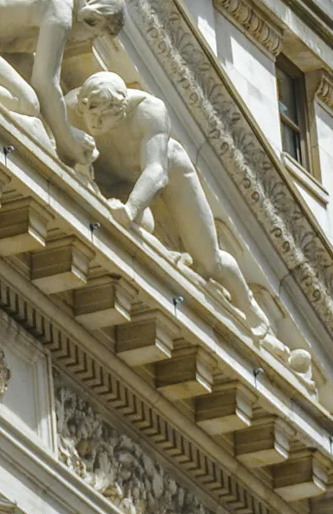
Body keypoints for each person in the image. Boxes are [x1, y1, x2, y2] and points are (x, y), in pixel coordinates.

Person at [65, 72, 263, 325]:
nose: (94, 122)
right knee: (144, 227)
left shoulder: (149, 111)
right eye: (90, 114)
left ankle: (249, 307)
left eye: (102, 117)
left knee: (209, 261)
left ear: (121, 110)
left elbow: (156, 172)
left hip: (168, 174)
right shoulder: (74, 105)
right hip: (113, 180)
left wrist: (130, 209)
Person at [0, 0, 127, 167]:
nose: (88, 39)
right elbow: (45, 82)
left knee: (28, 69)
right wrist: (68, 138)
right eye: (95, 34)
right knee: (28, 103)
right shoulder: (60, 12)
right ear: (91, 17)